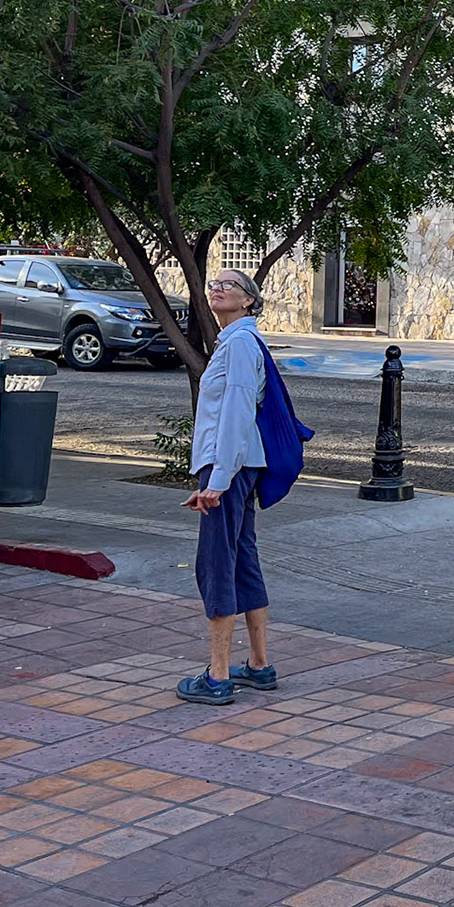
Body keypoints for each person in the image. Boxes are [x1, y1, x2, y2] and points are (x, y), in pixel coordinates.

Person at [176, 269, 277, 704]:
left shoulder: (237, 344)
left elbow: (236, 413)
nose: (217, 289)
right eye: (213, 284)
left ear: (249, 301)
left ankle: (218, 676)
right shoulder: (239, 341)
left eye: (229, 285)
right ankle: (258, 664)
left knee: (217, 563)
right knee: (242, 559)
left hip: (228, 468)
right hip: (240, 465)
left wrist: (216, 481)